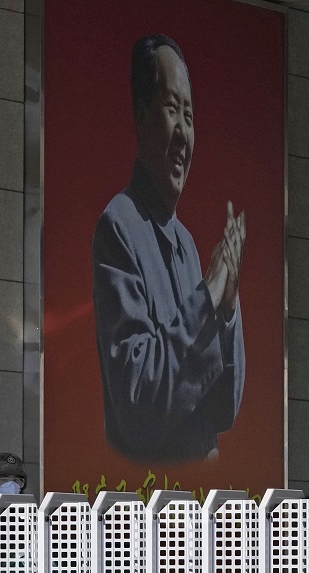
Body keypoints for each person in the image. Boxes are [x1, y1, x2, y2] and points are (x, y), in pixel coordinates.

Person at [92, 34, 246, 464]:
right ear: (142, 116)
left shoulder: (187, 245)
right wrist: (206, 297)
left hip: (200, 491)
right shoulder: (118, 227)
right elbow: (139, 404)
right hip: (151, 492)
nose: (183, 133)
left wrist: (226, 311)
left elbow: (223, 411)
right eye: (172, 109)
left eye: (190, 116)